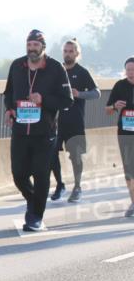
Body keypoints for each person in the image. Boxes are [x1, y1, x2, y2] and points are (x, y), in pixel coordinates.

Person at [2, 30, 73, 231]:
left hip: (45, 132)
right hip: (20, 131)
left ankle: (36, 217)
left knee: (41, 174)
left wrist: (44, 99)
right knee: (18, 174)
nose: (31, 48)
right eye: (29, 44)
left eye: (35, 45)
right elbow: (8, 93)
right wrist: (9, 109)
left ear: (43, 47)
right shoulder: (17, 66)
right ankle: (34, 201)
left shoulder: (55, 68)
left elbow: (67, 100)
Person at [50, 39, 100, 202]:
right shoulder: (57, 71)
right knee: (51, 153)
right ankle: (59, 185)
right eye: (65, 51)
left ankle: (77, 187)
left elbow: (97, 93)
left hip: (75, 121)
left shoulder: (82, 72)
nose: (67, 54)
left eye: (71, 51)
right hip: (56, 122)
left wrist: (80, 94)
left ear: (77, 54)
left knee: (76, 157)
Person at [105, 56, 134, 218]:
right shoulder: (120, 86)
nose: (131, 73)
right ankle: (133, 201)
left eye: (133, 70)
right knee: (129, 168)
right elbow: (107, 109)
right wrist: (114, 106)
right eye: (128, 70)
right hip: (125, 133)